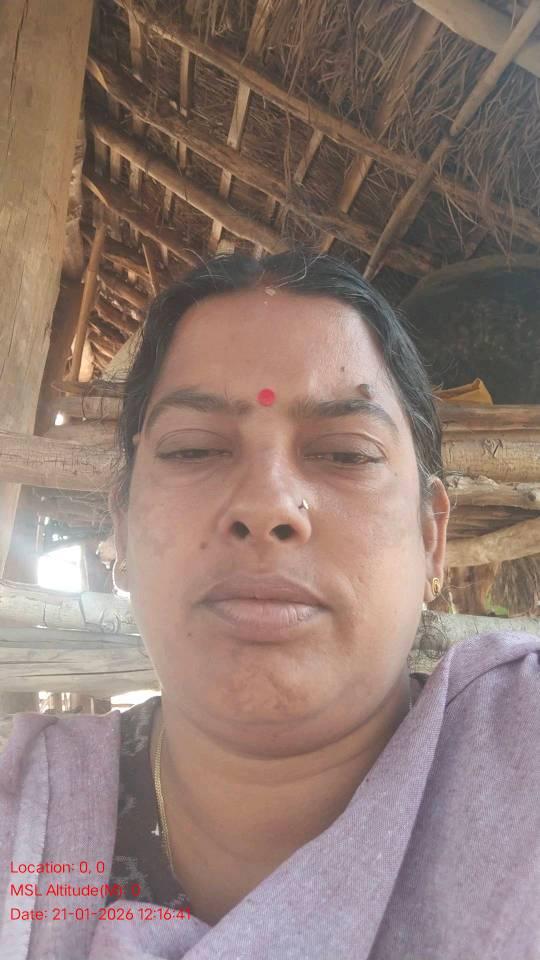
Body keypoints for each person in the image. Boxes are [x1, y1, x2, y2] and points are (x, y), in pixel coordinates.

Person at [0, 251, 538, 960]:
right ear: (122, 528)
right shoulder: (27, 836)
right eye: (194, 450)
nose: (265, 505)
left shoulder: (521, 749)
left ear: (432, 537)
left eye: (346, 454)